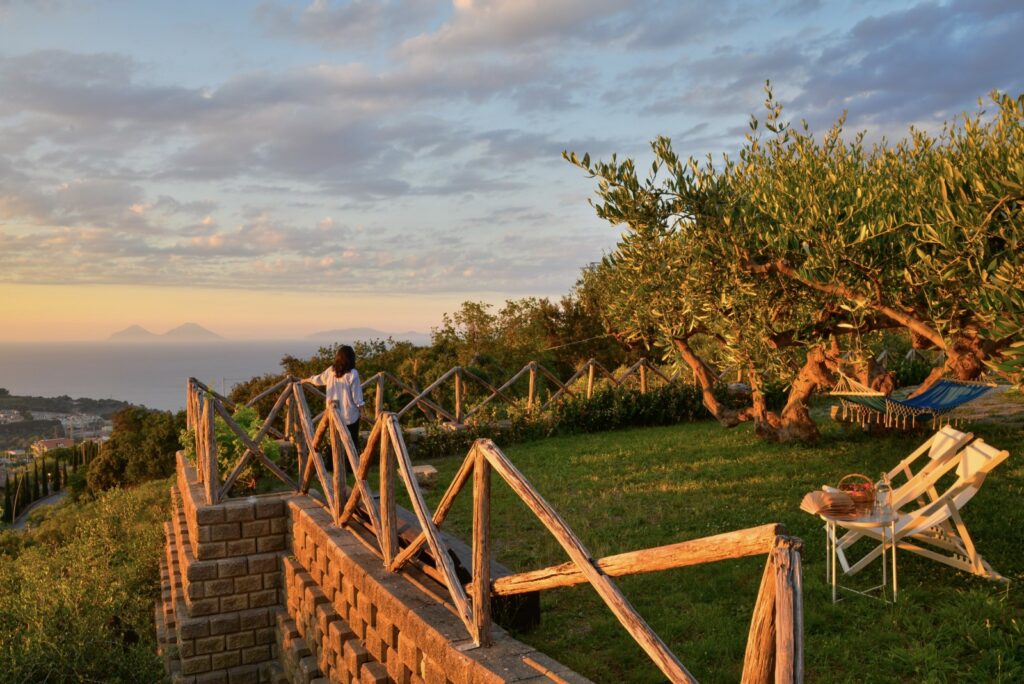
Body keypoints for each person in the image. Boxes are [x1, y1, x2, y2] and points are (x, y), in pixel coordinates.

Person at [304, 345, 364, 451]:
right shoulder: (353, 374)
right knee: (352, 445)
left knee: (336, 445)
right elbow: (357, 398)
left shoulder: (331, 371)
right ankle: (352, 467)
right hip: (350, 416)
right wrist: (362, 411)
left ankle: (334, 466)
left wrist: (306, 380)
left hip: (334, 415)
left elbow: (318, 380)